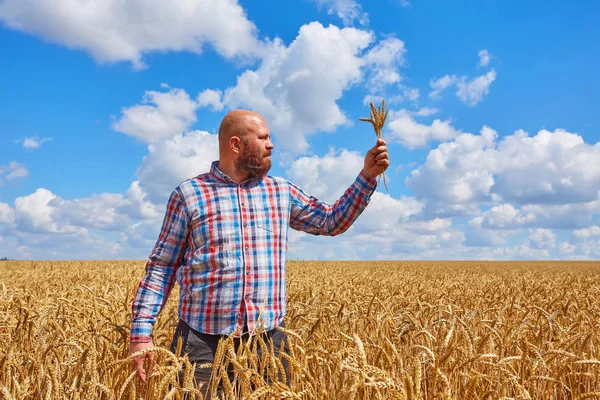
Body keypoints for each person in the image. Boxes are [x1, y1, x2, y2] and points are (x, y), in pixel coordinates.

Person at [129, 110, 390, 393]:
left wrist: (367, 176)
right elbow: (162, 267)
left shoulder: (281, 191)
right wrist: (141, 333)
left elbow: (331, 221)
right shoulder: (189, 194)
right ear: (236, 144)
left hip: (268, 342)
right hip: (200, 343)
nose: (271, 144)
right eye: (263, 137)